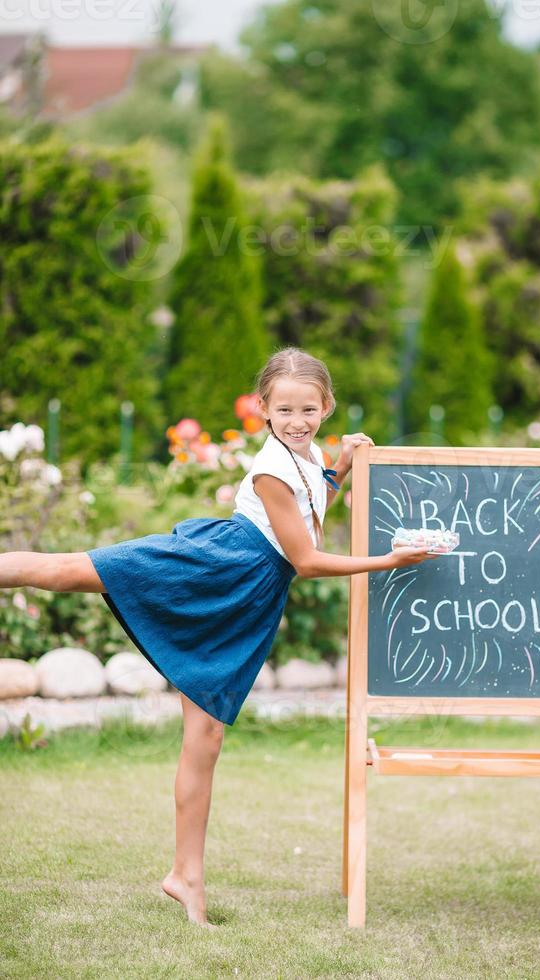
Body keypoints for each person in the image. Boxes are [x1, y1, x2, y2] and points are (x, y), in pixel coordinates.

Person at [0, 346, 440, 929]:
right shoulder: (271, 468)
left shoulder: (304, 459)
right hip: (214, 567)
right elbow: (305, 559)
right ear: (264, 408)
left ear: (327, 406)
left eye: (309, 408)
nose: (298, 419)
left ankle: (185, 877)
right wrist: (387, 561)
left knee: (204, 738)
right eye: (285, 410)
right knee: (67, 570)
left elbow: (307, 514)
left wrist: (339, 467)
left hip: (246, 596)